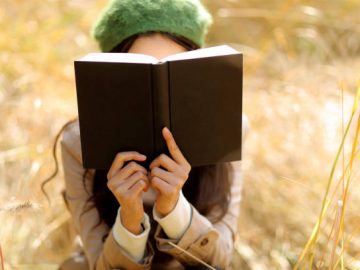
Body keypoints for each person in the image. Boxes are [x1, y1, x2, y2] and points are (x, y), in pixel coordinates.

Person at [41, 0, 249, 269]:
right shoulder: (77, 144)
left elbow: (220, 258)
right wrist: (129, 216)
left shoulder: (229, 128)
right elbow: (100, 265)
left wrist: (174, 209)